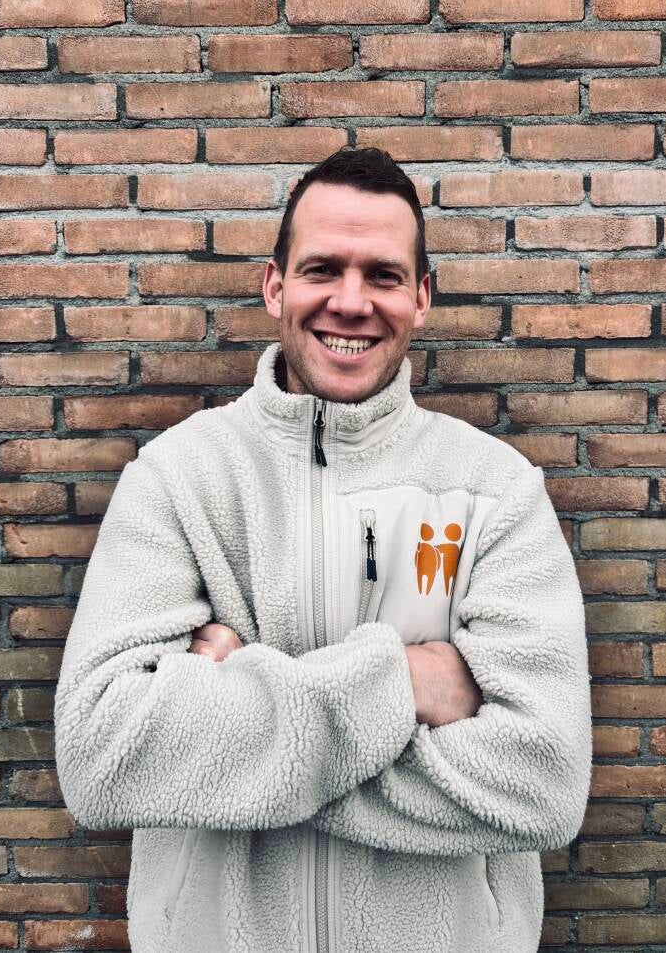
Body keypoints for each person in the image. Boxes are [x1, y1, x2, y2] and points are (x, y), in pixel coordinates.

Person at [54, 146, 593, 953]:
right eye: (322, 270)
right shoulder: (177, 479)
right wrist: (403, 683)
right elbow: (102, 759)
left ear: (421, 297)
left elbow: (543, 784)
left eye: (382, 275)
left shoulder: (495, 491)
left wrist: (243, 707)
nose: (350, 301)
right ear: (275, 286)